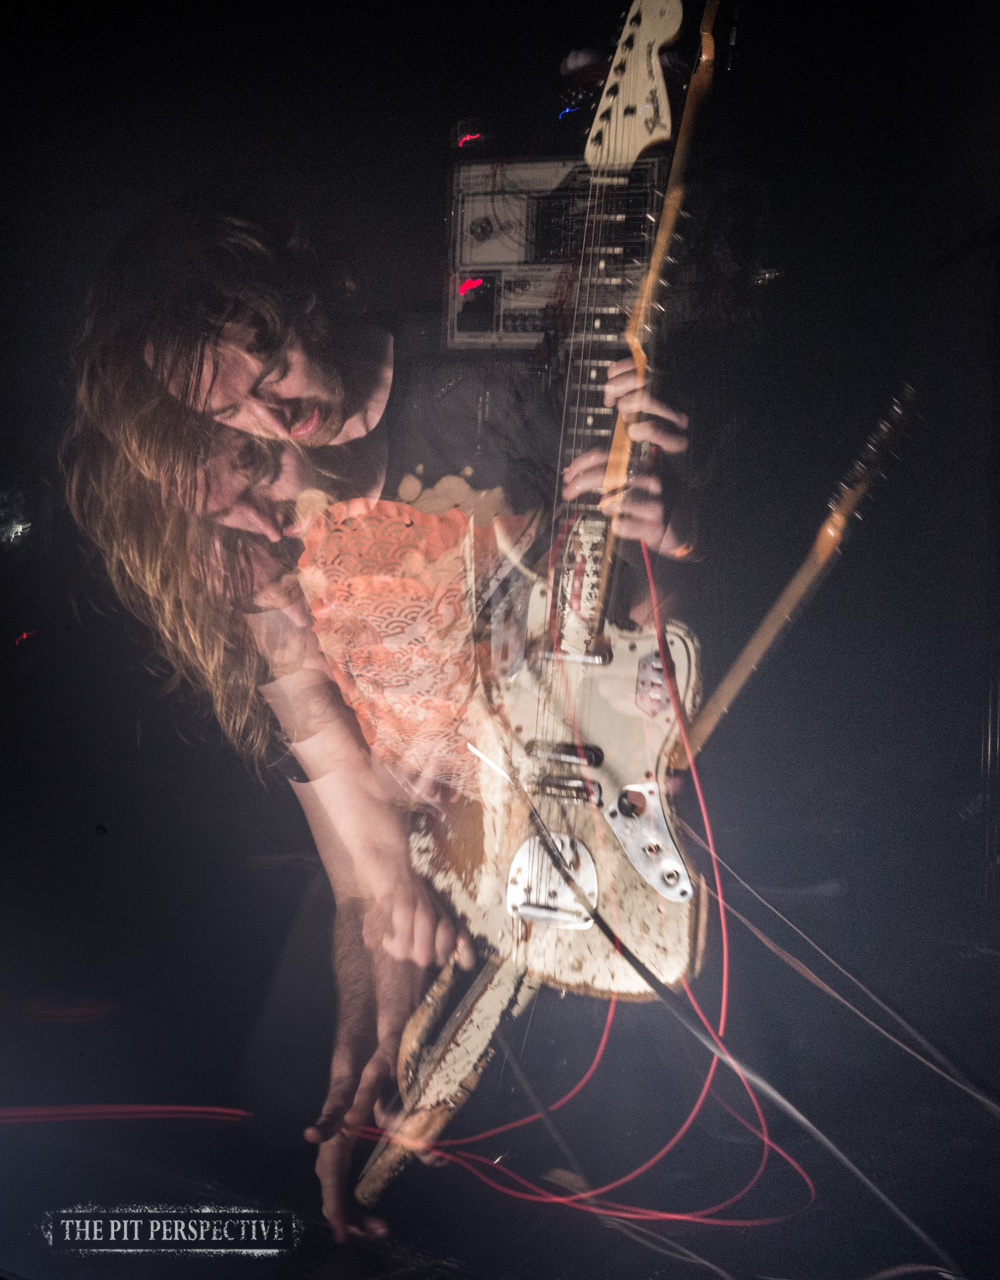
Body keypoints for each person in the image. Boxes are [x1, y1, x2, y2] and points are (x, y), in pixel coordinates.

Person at [63, 203, 694, 1241]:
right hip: (426, 832)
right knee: (296, 1096)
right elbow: (363, 852)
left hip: (559, 793)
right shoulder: (245, 526)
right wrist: (376, 1032)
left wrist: (672, 536)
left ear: (287, 302)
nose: (271, 423)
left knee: (621, 1145)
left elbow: (641, 604)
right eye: (232, 424)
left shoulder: (482, 394)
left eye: (264, 378)